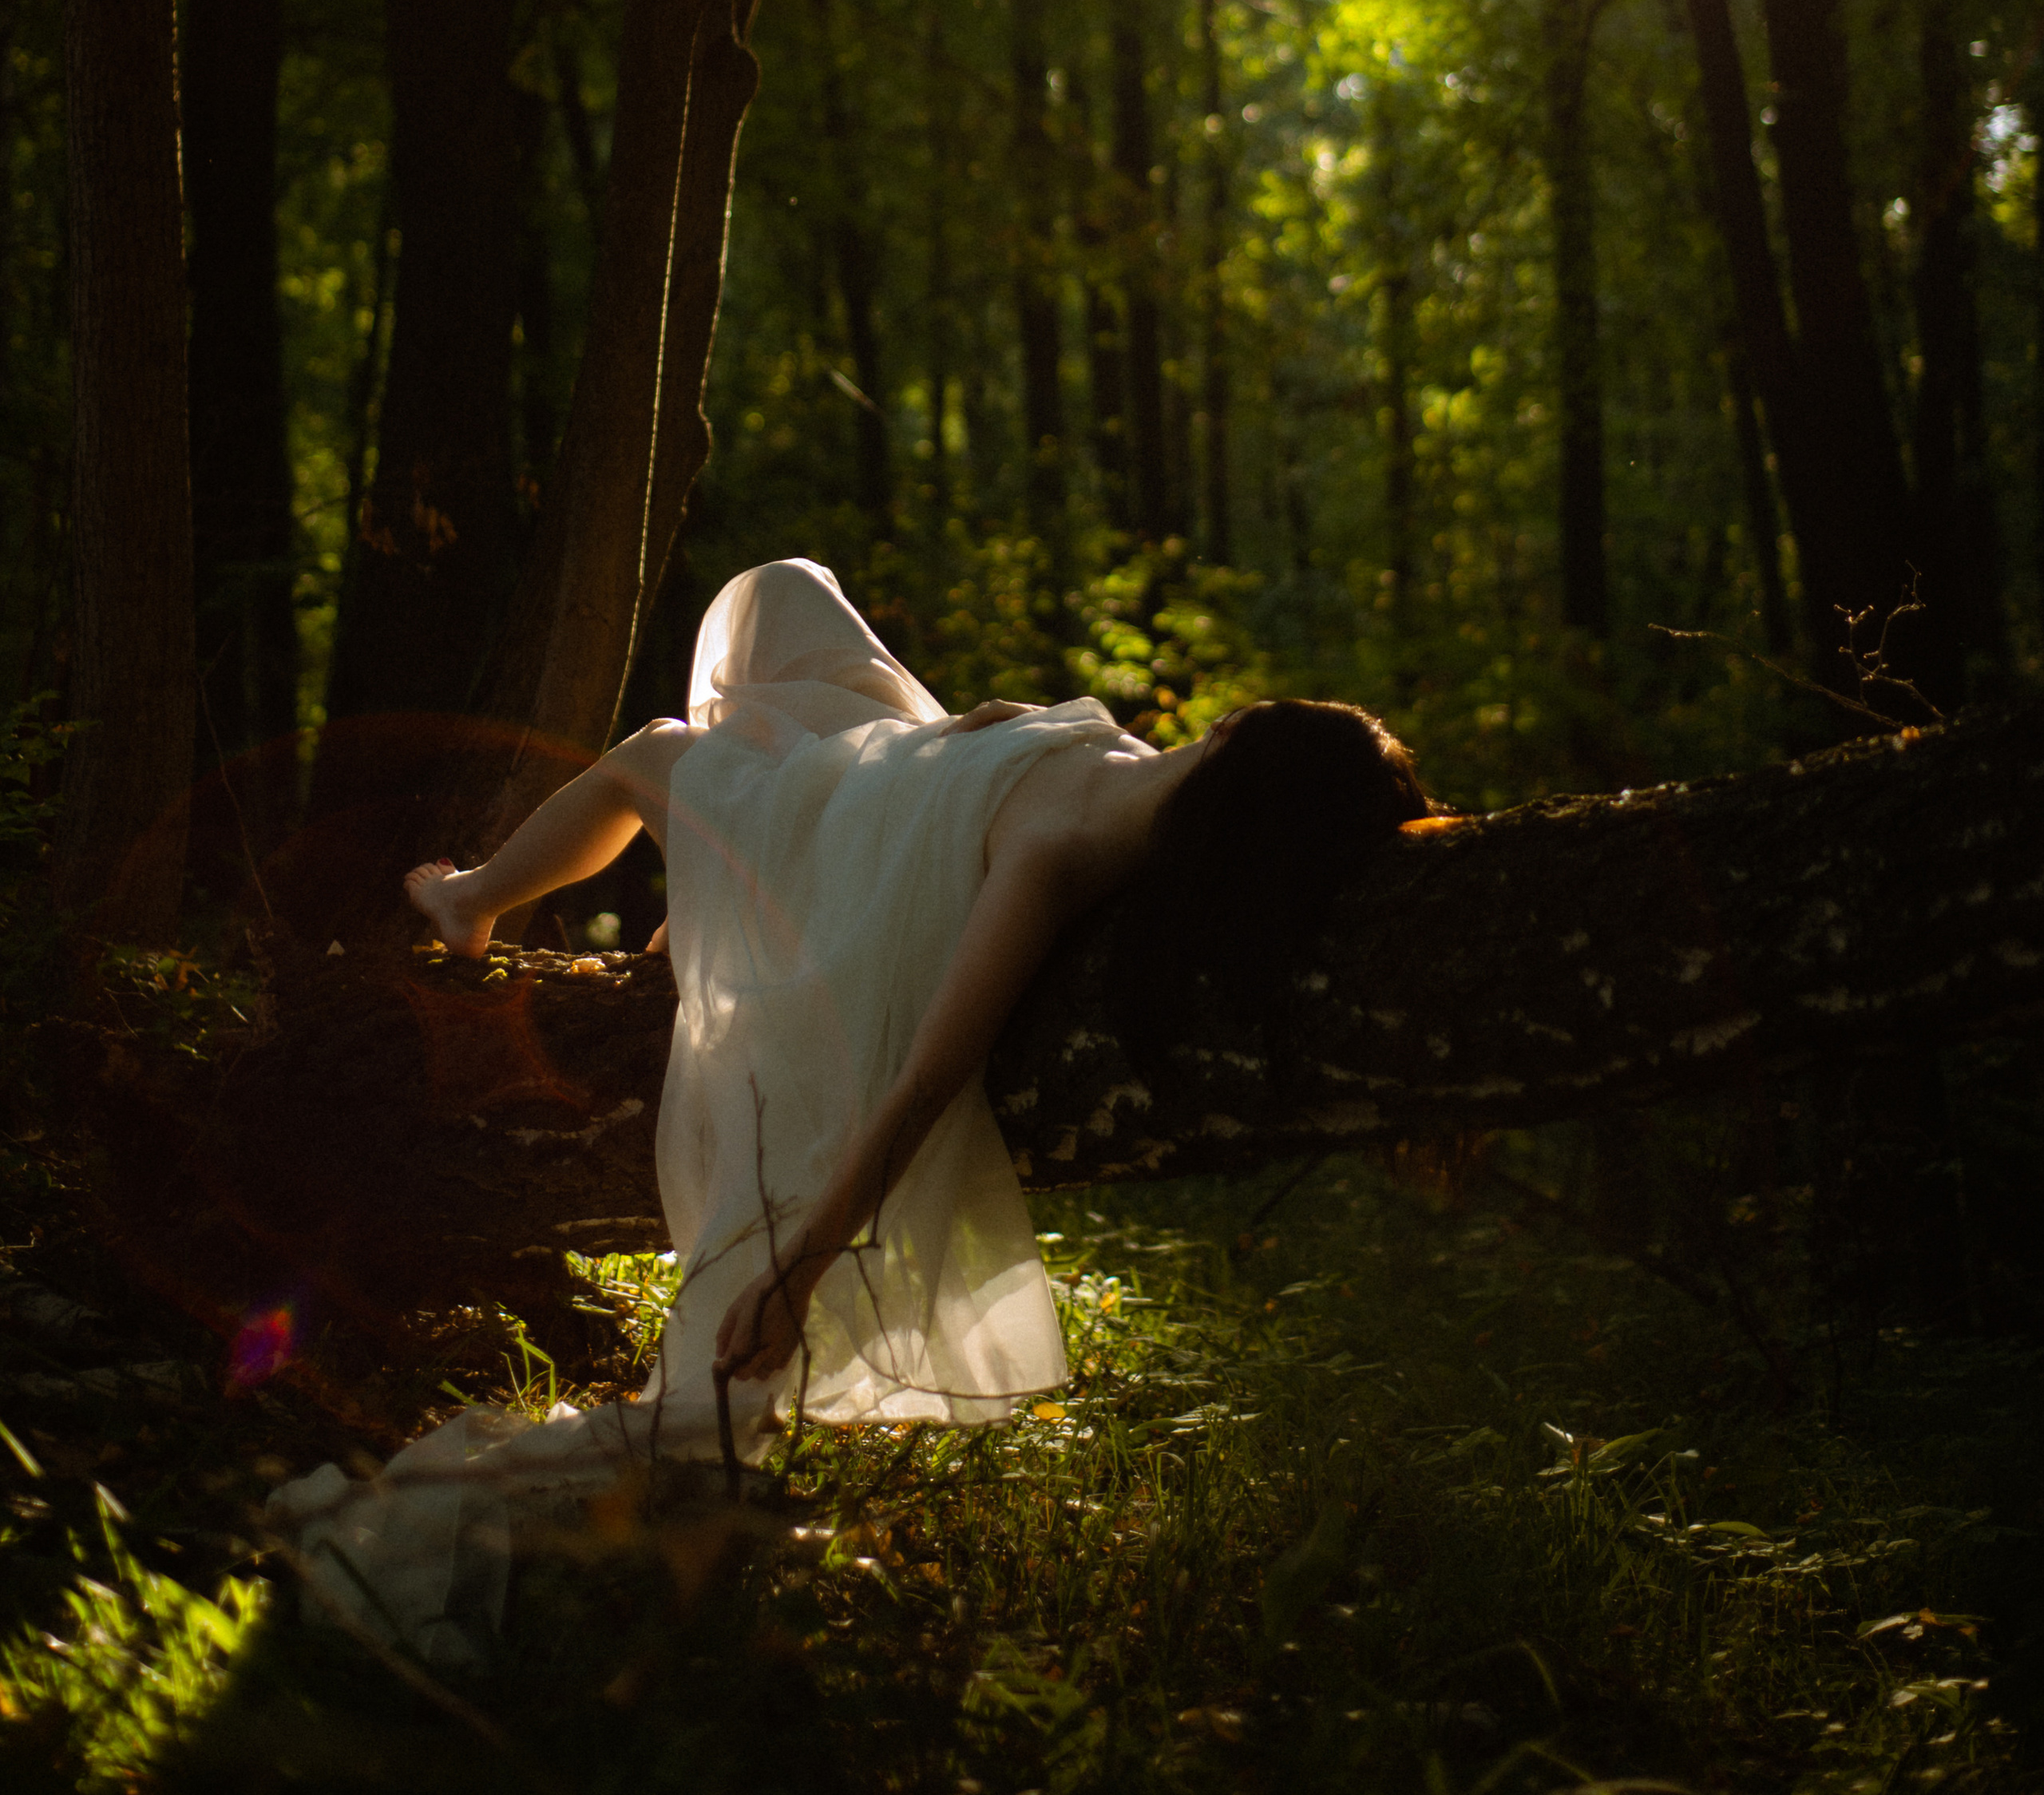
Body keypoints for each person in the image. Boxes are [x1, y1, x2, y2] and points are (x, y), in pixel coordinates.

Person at [273, 558, 1422, 1662]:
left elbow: (926, 1071)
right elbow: (1010, 732)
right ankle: (708, 899)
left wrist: (800, 1265)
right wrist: (988, 726)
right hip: (882, 786)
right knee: (783, 590)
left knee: (659, 754)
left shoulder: (1060, 848)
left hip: (845, 860)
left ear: (1233, 744)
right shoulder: (1127, 769)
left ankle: (475, 901)